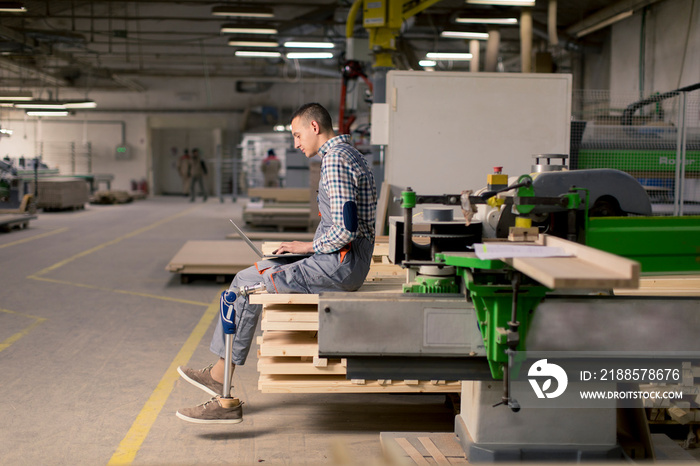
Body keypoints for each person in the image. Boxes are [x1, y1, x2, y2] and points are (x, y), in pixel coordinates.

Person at [176, 103, 377, 423]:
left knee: (243, 286)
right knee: (259, 269)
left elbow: (344, 230)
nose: (297, 143)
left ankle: (223, 394)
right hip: (342, 259)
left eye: (298, 135)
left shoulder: (336, 161)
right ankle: (218, 374)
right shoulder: (349, 154)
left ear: (315, 127)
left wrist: (311, 246)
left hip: (340, 265)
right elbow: (344, 226)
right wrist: (306, 248)